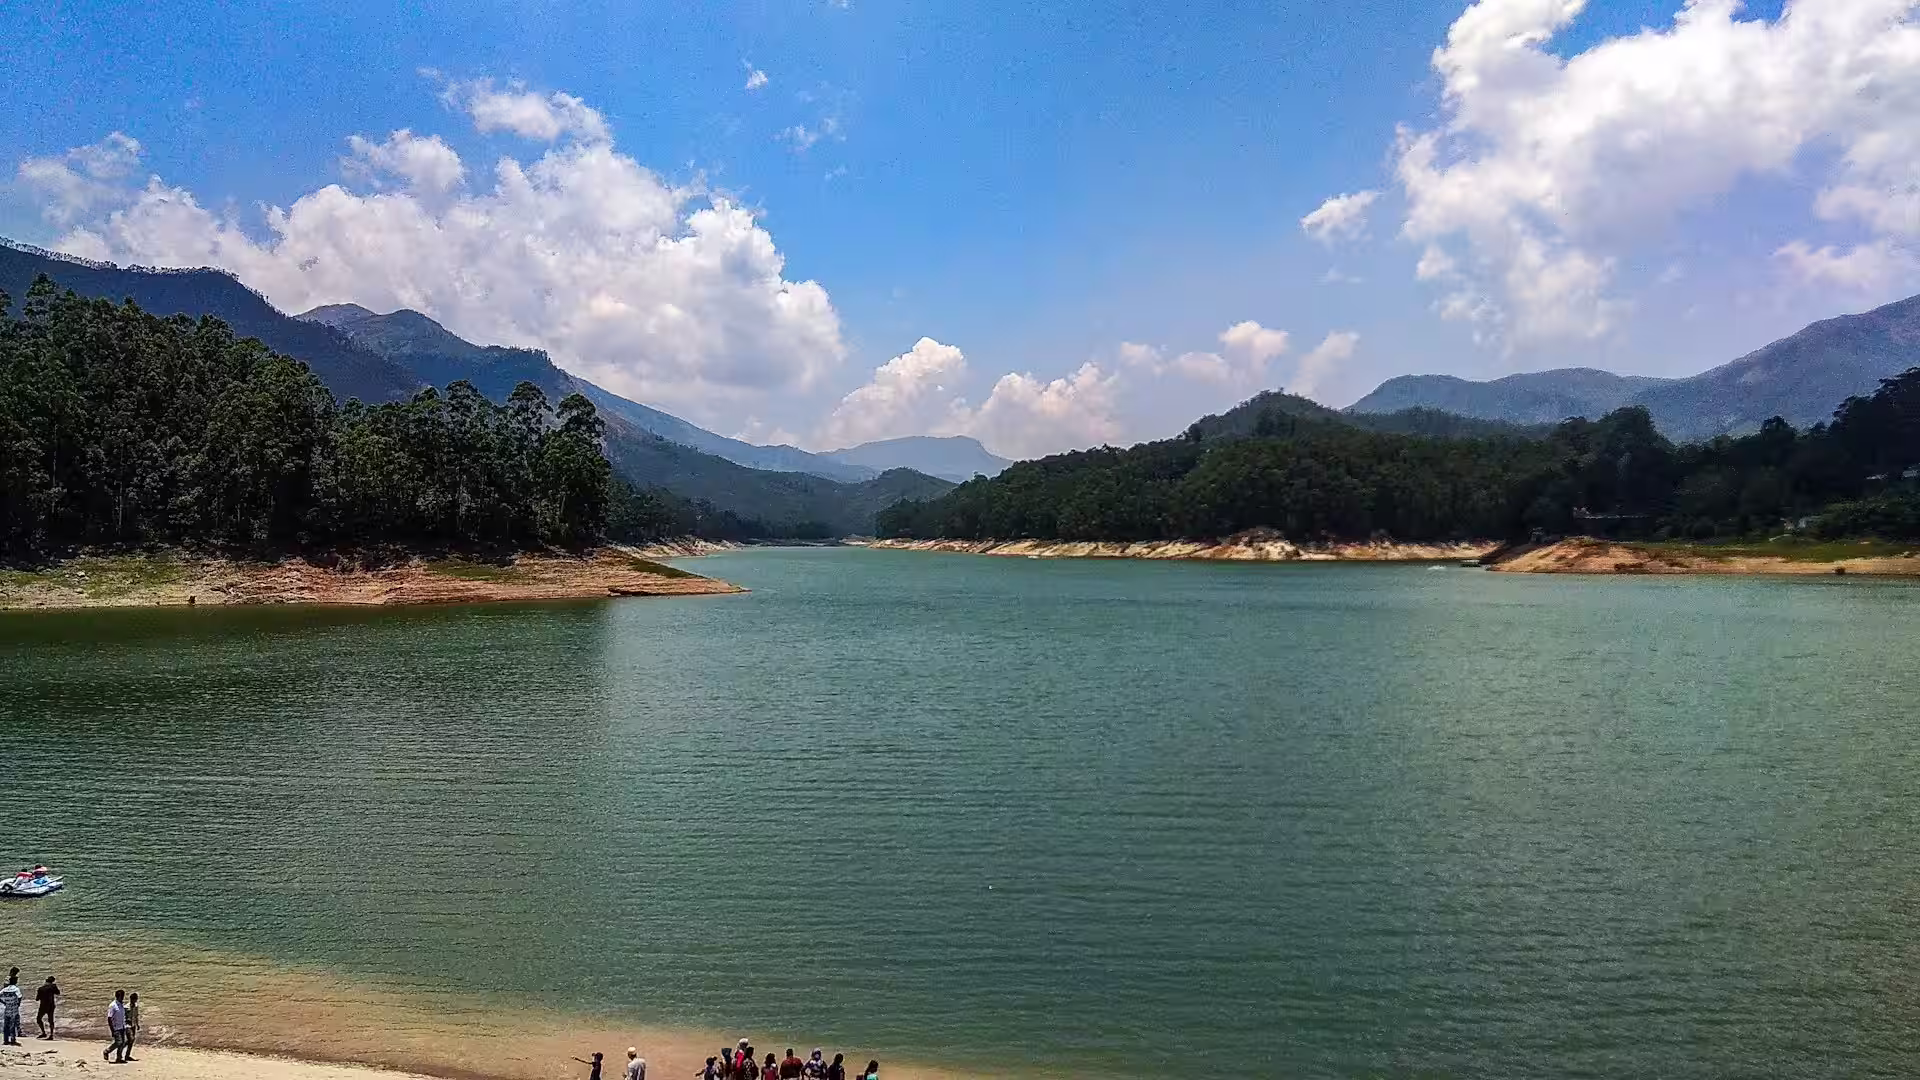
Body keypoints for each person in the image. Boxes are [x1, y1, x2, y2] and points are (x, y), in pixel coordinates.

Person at [103, 990, 128, 1063]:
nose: (123, 998)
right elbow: (109, 1018)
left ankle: (119, 1058)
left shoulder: (121, 1005)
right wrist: (112, 1030)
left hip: (122, 1026)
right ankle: (107, 1051)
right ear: (118, 996)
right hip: (115, 1027)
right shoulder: (113, 1005)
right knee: (118, 1042)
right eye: (121, 996)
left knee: (122, 1042)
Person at [1, 969, 22, 1045]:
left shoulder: (5, 989)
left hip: (7, 1007)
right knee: (13, 1024)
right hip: (14, 1008)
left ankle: (5, 1040)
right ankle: (13, 1040)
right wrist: (17, 1004)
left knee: (6, 1024)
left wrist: (4, 1002)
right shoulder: (16, 989)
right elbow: (19, 997)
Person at [123, 993, 140, 1061]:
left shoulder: (136, 1006)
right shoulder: (126, 1007)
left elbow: (136, 1016)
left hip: (133, 1025)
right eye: (134, 999)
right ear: (131, 999)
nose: (135, 1001)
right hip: (127, 1025)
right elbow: (123, 1016)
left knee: (131, 1041)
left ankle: (127, 1055)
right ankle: (120, 1047)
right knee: (131, 1039)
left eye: (136, 999)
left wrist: (137, 1024)